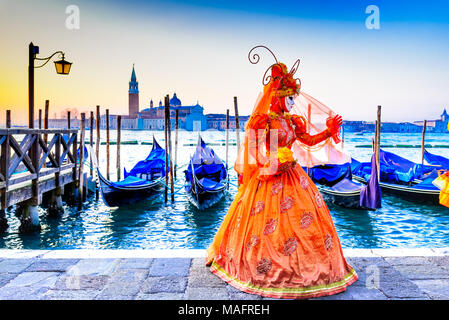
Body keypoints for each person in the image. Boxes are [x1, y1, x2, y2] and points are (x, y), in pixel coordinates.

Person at [206, 47, 358, 299]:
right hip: (268, 175)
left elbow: (308, 140)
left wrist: (329, 131)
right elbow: (253, 151)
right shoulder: (261, 121)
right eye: (289, 98)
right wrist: (272, 160)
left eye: (293, 98)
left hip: (292, 174)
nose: (292, 102)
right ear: (276, 96)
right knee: (265, 224)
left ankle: (304, 266)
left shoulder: (291, 121)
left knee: (303, 221)